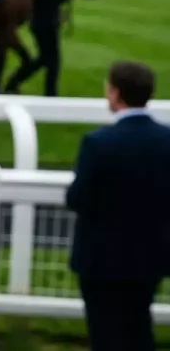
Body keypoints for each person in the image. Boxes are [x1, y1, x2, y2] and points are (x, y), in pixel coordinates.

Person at [67, 61, 170, 351]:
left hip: (102, 260)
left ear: (115, 93)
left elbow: (78, 198)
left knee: (105, 334)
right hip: (150, 256)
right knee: (139, 328)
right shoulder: (167, 141)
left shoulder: (98, 143)